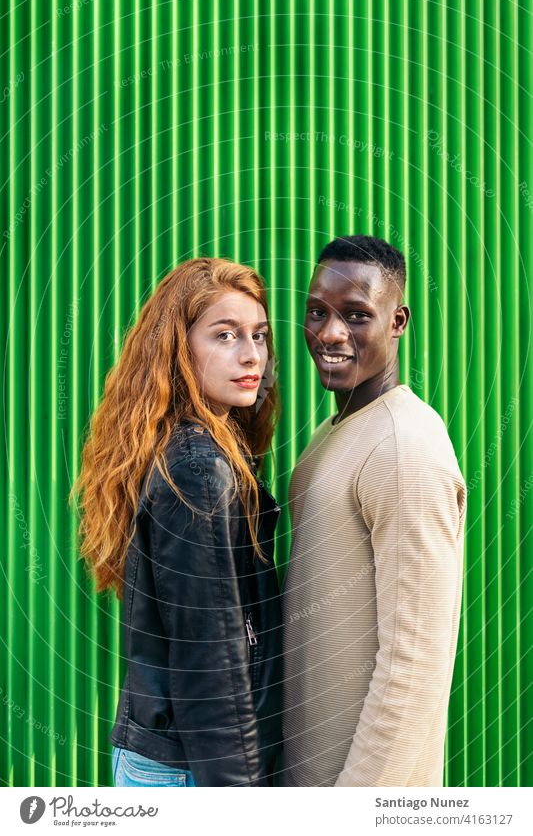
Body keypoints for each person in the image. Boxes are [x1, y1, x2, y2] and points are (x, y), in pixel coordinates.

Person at [70, 257, 283, 787]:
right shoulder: (197, 470)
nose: (251, 354)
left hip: (177, 763)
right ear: (178, 347)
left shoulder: (204, 449)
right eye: (225, 335)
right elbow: (209, 661)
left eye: (258, 335)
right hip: (191, 774)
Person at [282, 235, 466, 787]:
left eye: (357, 315)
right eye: (318, 312)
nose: (331, 333)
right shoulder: (332, 436)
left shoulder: (405, 445)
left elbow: (416, 660)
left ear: (398, 321)